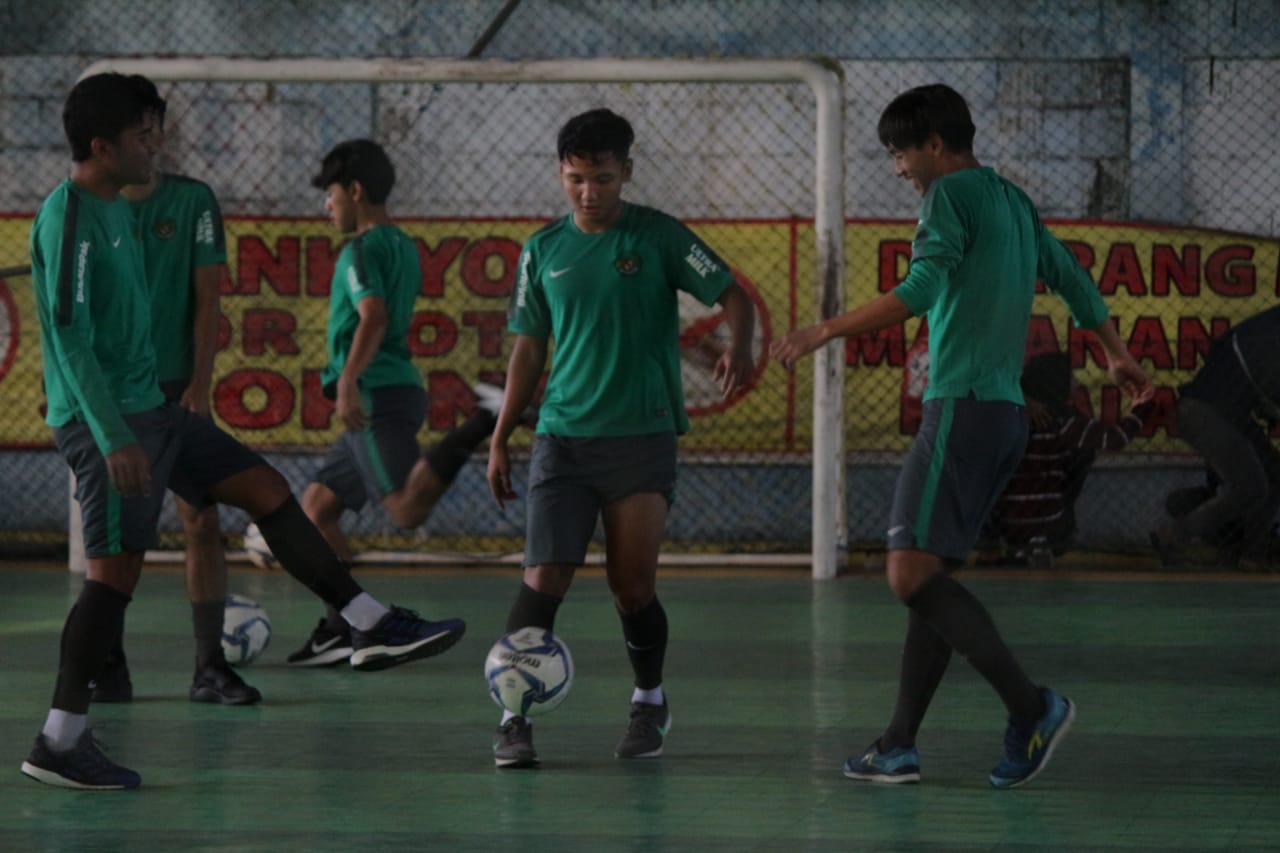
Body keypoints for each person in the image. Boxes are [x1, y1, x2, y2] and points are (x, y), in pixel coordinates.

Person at [20, 72, 465, 791]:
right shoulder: (69, 213)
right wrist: (111, 435)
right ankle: (59, 739)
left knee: (264, 486)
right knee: (112, 582)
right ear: (101, 146)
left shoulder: (117, 211)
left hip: (155, 411)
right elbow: (69, 337)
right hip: (112, 422)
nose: (155, 145)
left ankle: (366, 619)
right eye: (143, 134)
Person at [770, 84, 1153, 788]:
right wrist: (1114, 350)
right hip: (1002, 416)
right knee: (929, 578)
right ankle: (898, 744)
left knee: (906, 573)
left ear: (936, 146)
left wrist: (823, 330)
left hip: (965, 409)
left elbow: (918, 290)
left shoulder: (947, 198)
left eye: (901, 152)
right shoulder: (1011, 199)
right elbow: (1073, 279)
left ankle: (1032, 706)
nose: (898, 169)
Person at [485, 107, 755, 768]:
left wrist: (743, 346)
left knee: (631, 589)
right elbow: (527, 349)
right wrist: (499, 437)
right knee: (543, 576)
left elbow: (734, 294)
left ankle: (649, 699)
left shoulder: (659, 236)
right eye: (576, 178)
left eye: (602, 178)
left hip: (641, 439)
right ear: (561, 173)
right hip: (563, 440)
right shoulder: (542, 249)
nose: (588, 192)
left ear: (626, 172)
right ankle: (513, 716)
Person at [279, 138, 519, 666]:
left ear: (356, 190)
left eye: (332, 194)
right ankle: (337, 628)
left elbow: (374, 316)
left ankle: (488, 414)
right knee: (316, 509)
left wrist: (346, 381)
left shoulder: (359, 250)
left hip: (375, 395)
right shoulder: (403, 244)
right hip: (395, 389)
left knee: (405, 508)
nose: (327, 205)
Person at [85, 75, 260, 707]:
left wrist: (199, 386)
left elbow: (209, 298)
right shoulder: (87, 208)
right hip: (117, 393)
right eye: (142, 128)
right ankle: (108, 663)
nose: (153, 139)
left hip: (175, 386)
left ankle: (209, 666)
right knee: (117, 533)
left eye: (158, 126)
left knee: (201, 517)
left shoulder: (192, 202)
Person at [977, 351, 1154, 567]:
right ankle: (1042, 541)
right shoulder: (1065, 421)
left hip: (1004, 521)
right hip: (1049, 521)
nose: (1077, 383)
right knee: (1084, 450)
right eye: (1071, 378)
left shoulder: (1008, 416)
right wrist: (1143, 405)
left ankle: (1001, 545)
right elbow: (1115, 438)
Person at [1151, 305, 1280, 571]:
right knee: (1251, 487)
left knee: (1271, 475)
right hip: (1206, 413)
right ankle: (1175, 535)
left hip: (1228, 415)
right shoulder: (1265, 334)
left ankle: (1252, 556)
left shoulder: (1262, 330)